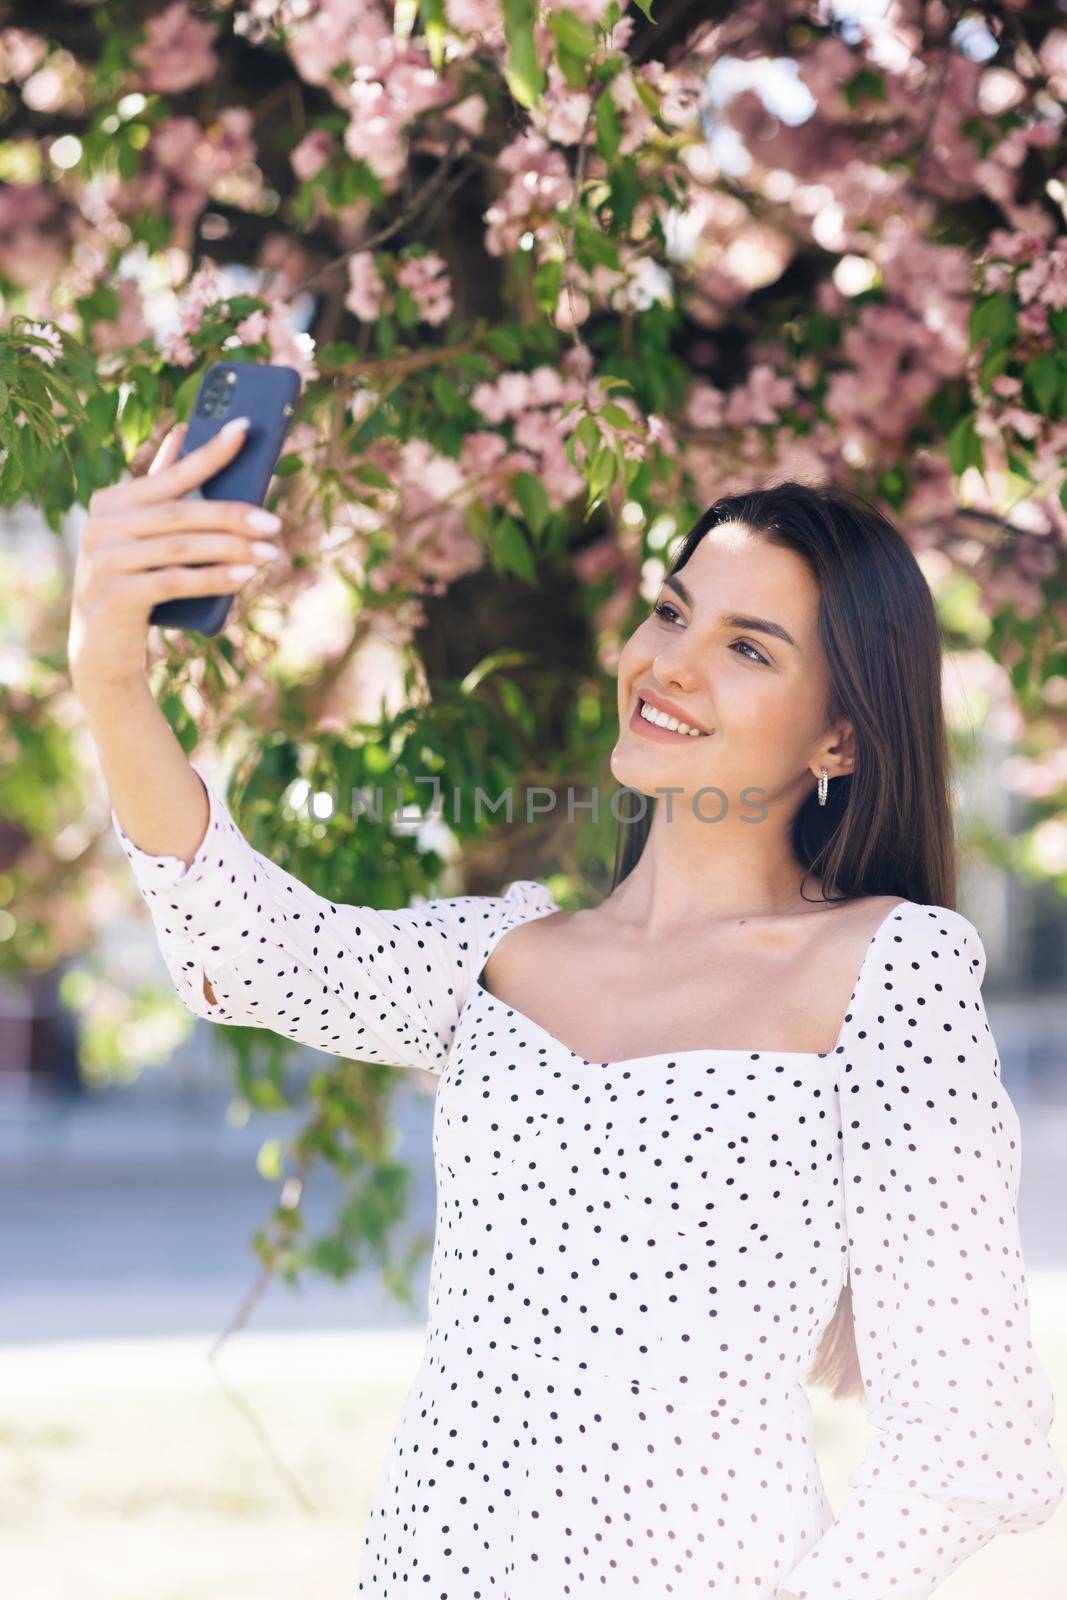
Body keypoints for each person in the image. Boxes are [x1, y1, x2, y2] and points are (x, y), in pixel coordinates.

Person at [69, 428, 1064, 1598]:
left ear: (838, 736)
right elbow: (239, 943)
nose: (671, 662)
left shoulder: (890, 970)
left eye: (746, 646)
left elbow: (971, 1447)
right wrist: (111, 673)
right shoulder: (497, 953)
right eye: (670, 610)